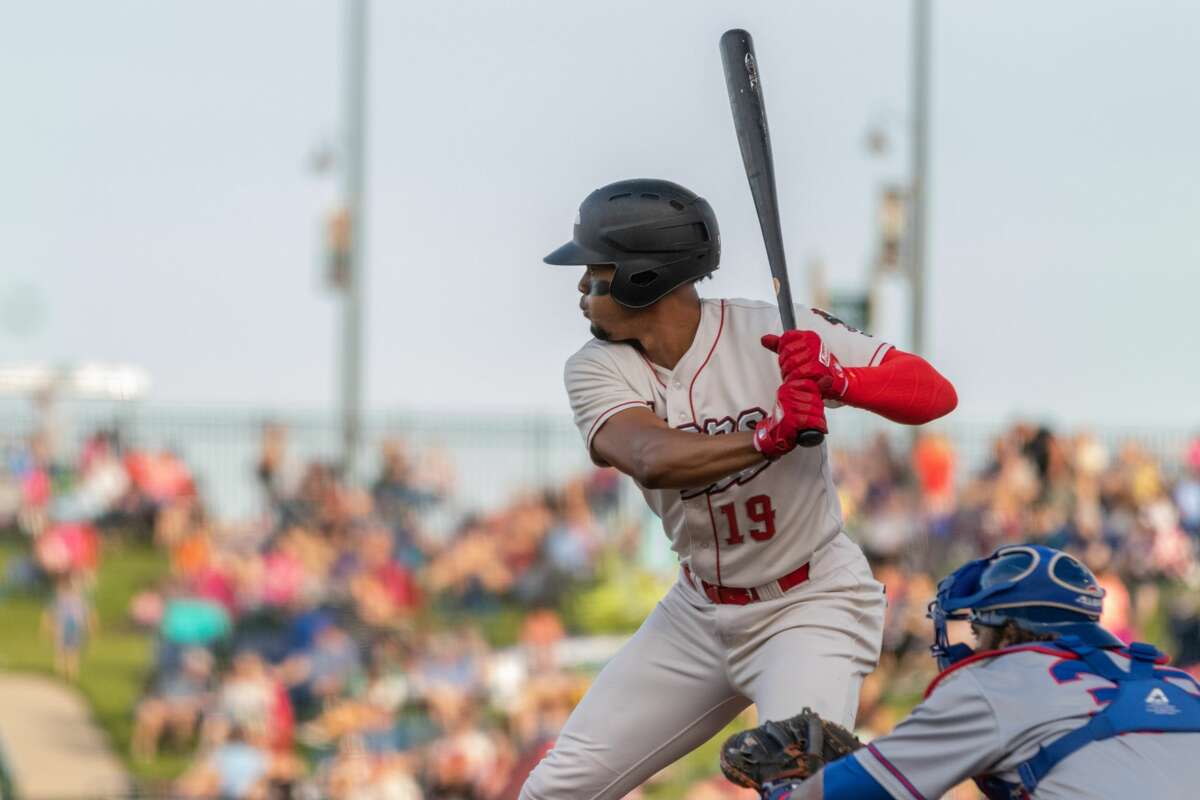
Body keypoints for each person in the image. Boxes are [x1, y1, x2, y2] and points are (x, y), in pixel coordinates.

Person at [521, 178, 957, 799]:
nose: (582, 290)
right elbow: (650, 456)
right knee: (549, 794)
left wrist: (839, 380)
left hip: (809, 605)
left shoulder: (773, 330)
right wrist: (766, 437)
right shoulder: (595, 365)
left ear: (642, 278)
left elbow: (934, 392)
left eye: (596, 274)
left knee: (798, 790)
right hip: (697, 612)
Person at [726, 544, 1200, 799]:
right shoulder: (1176, 681)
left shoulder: (1002, 678)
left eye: (980, 631)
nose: (974, 645)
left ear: (1011, 632)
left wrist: (786, 788)